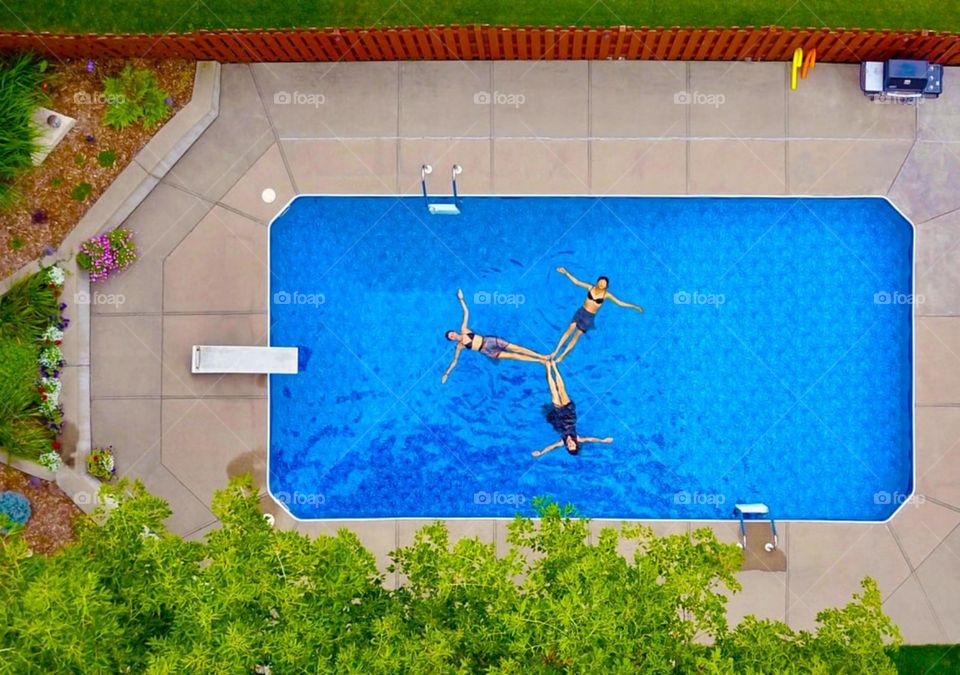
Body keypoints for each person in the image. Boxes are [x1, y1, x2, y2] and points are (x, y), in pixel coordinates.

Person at [442, 289, 549, 383]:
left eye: (451, 333)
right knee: (513, 356)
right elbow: (454, 361)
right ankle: (540, 361)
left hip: (490, 341)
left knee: (516, 348)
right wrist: (446, 374)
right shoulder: (460, 346)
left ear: (454, 332)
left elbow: (466, 312)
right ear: (452, 340)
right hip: (487, 351)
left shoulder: (464, 330)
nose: (452, 336)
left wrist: (461, 299)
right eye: (450, 337)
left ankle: (542, 356)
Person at [550, 267, 644, 363]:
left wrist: (635, 306)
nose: (602, 283)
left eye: (604, 283)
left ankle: (563, 355)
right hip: (581, 311)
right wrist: (566, 272)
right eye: (600, 281)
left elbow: (620, 303)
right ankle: (555, 351)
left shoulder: (606, 295)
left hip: (589, 317)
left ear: (606, 286)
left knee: (576, 336)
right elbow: (577, 282)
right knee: (568, 331)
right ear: (597, 281)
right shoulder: (590, 287)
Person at [532, 361, 613, 457]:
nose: (570, 444)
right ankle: (554, 366)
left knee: (553, 392)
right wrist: (603, 440)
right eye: (573, 445)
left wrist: (541, 452)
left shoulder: (562, 441)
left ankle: (548, 367)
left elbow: (551, 447)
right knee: (562, 390)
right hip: (570, 413)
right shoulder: (578, 438)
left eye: (569, 447)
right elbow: (591, 439)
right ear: (576, 444)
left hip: (559, 414)